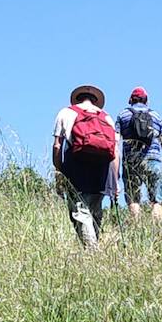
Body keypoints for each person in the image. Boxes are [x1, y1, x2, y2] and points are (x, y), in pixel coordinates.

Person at [52, 84, 119, 249]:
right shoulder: (107, 117)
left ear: (77, 98)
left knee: (80, 212)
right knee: (95, 211)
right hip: (103, 171)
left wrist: (59, 172)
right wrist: (115, 182)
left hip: (77, 168)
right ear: (96, 101)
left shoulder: (66, 112)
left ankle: (92, 252)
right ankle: (94, 248)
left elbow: (57, 146)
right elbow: (115, 152)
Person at [116, 87, 162, 220]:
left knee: (133, 199)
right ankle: (156, 233)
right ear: (146, 101)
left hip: (131, 161)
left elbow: (115, 142)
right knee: (156, 200)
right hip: (154, 160)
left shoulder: (123, 115)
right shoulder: (156, 116)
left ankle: (137, 228)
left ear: (130, 100)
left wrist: (115, 169)